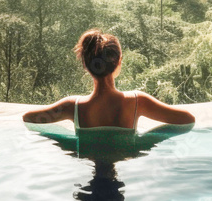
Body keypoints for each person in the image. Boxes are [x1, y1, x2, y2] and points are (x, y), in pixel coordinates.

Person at [21, 29, 195, 129]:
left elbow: (29, 117)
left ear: (86, 66)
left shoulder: (71, 107)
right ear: (119, 62)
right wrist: (148, 143)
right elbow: (187, 118)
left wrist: (67, 146)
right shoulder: (137, 102)